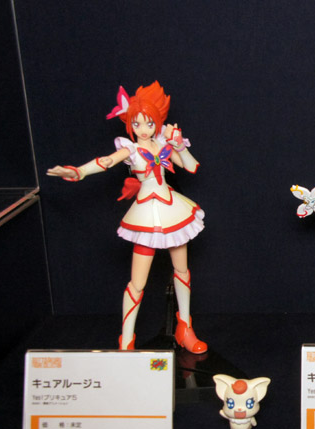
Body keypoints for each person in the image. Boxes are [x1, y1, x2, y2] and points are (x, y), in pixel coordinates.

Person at [47, 81, 207, 353]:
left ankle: (184, 326)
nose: (143, 129)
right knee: (137, 283)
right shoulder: (130, 150)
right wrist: (80, 172)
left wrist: (179, 145)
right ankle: (127, 340)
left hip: (172, 212)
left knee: (181, 270)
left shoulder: (164, 143)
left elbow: (191, 167)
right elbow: (107, 161)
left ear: (157, 121)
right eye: (137, 124)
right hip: (145, 216)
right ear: (130, 124)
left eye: (149, 123)